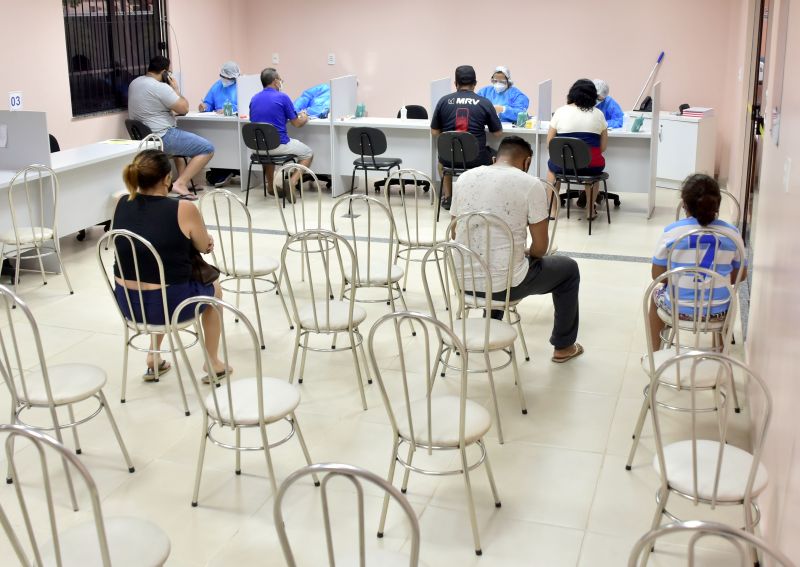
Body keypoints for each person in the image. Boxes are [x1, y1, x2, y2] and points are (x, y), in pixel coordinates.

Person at [450, 135, 583, 363]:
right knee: (569, 270)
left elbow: (454, 232)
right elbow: (541, 248)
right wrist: (527, 252)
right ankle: (564, 347)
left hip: (463, 281)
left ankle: (489, 329)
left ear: (495, 158)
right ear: (527, 162)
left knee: (497, 262)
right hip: (505, 285)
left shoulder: (465, 178)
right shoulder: (530, 184)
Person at [113, 149, 227, 383]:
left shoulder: (121, 203)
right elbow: (204, 246)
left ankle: (153, 358)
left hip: (128, 305)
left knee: (155, 274)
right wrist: (206, 243)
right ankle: (213, 361)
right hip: (170, 306)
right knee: (214, 287)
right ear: (167, 179)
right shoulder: (183, 208)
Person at [648, 174, 746, 348]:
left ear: (684, 204)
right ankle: (721, 352)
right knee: (728, 297)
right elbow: (741, 276)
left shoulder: (672, 232)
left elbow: (657, 275)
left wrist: (681, 279)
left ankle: (655, 353)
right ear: (717, 204)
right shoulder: (732, 233)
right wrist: (714, 279)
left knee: (655, 296)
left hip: (679, 309)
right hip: (719, 310)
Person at [128, 55, 214, 200]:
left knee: (179, 150)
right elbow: (184, 108)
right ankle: (180, 183)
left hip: (145, 137)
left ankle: (183, 183)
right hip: (162, 136)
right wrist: (175, 89)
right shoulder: (159, 87)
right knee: (207, 148)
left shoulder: (135, 83)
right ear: (164, 72)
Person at [431, 65, 503, 210]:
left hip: (449, 158)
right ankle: (481, 198)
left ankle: (448, 197)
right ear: (475, 84)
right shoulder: (484, 103)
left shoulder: (443, 101)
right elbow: (498, 133)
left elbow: (434, 132)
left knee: (442, 162)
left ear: (456, 84)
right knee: (496, 157)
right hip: (476, 159)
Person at [546, 79, 608, 218]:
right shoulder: (598, 114)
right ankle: (590, 211)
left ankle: (552, 211)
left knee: (552, 169)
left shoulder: (560, 112)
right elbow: (602, 147)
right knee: (593, 174)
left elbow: (550, 144)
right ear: (593, 96)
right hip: (591, 165)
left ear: (572, 94)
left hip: (563, 165)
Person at [249, 67, 313, 193]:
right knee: (308, 153)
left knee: (268, 150)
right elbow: (297, 124)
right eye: (280, 79)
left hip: (257, 147)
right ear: (275, 81)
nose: (281, 82)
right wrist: (305, 117)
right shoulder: (283, 97)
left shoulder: (254, 98)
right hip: (278, 145)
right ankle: (292, 182)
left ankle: (270, 186)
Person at [199, 61, 241, 187]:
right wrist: (203, 107)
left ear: (235, 77)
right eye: (224, 77)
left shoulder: (241, 86)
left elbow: (246, 105)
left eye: (229, 78)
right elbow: (208, 103)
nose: (226, 80)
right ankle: (220, 170)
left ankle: (231, 169)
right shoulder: (217, 85)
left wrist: (230, 109)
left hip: (235, 125)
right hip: (218, 124)